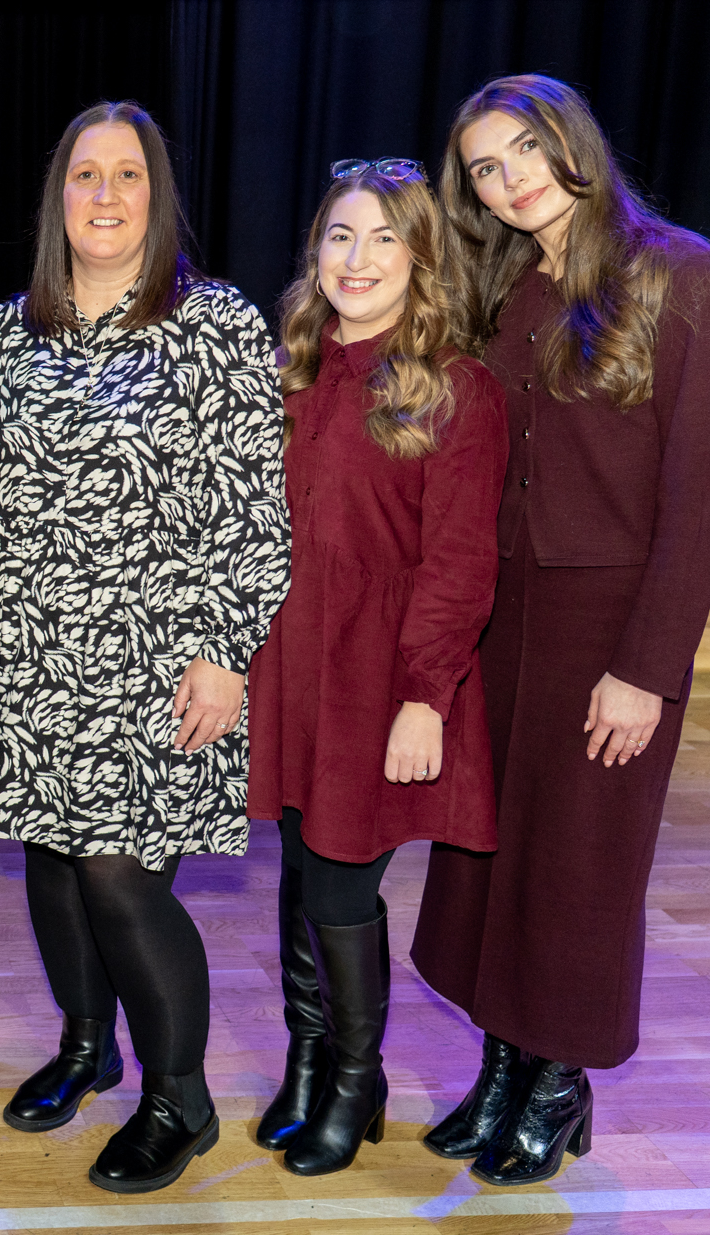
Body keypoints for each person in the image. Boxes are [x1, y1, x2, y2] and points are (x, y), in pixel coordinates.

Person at [0, 101, 289, 1195]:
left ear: (155, 195)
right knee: (49, 855)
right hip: (26, 644)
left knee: (119, 874)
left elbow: (253, 505)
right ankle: (87, 1045)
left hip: (157, 659)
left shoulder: (216, 324)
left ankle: (179, 1098)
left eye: (127, 174)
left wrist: (226, 647)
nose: (104, 194)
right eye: (85, 174)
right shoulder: (5, 332)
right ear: (59, 196)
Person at [412, 74, 710, 1186]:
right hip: (500, 618)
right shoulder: (505, 285)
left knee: (578, 864)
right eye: (482, 168)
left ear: (569, 140)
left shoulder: (681, 275)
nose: (507, 181)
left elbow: (695, 500)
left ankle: (556, 1078)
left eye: (521, 149)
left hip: (607, 627)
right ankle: (504, 1061)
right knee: (488, 854)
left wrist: (646, 668)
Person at [244, 160, 507, 1176]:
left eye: (384, 238)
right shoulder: (291, 369)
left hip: (379, 673)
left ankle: (359, 1078)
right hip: (291, 659)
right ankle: (309, 1057)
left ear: (421, 257)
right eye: (340, 235)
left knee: (341, 876)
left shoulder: (456, 388)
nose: (356, 259)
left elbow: (459, 562)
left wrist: (423, 696)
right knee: (300, 864)